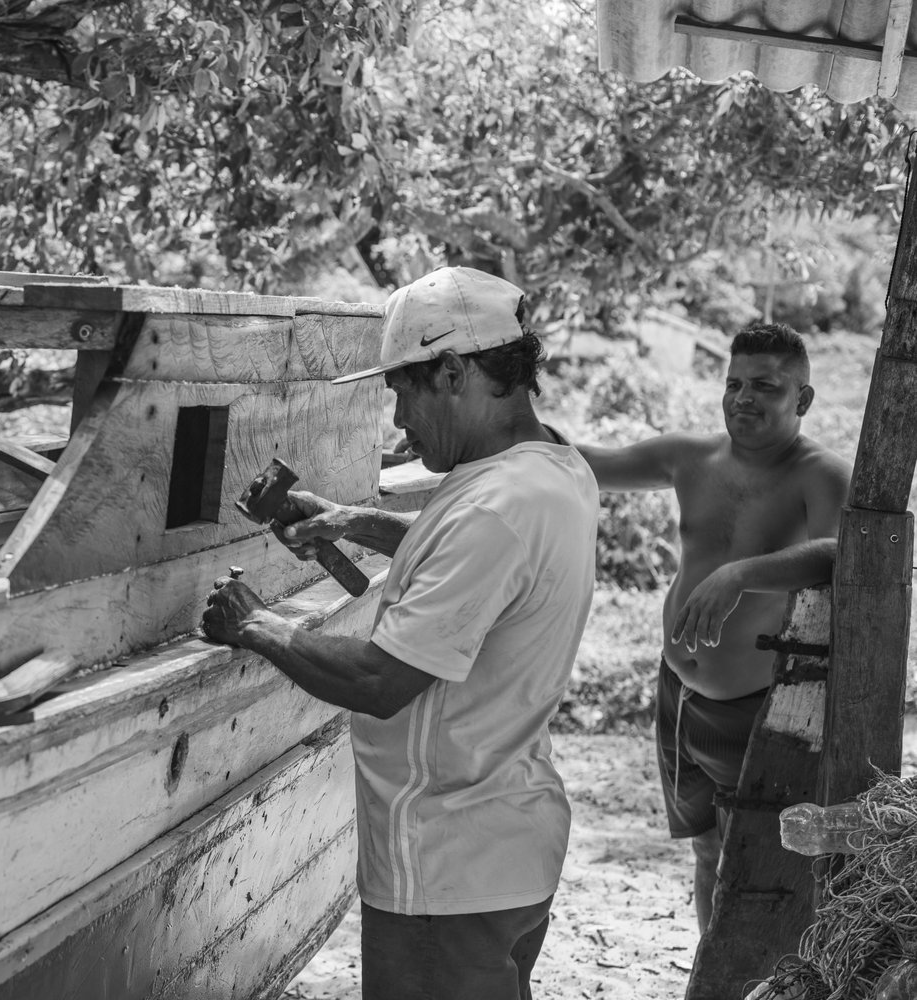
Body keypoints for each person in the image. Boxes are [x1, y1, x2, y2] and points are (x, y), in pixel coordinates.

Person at [202, 266, 598, 1000]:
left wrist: (257, 624)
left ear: (453, 372)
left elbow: (379, 681)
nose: (399, 420)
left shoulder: (495, 509)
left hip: (445, 867)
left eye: (401, 390)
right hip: (502, 848)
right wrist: (347, 519)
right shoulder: (549, 470)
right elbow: (468, 553)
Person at [574, 321, 851, 934]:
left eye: (765, 387)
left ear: (801, 400)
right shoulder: (690, 458)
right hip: (678, 696)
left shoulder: (820, 474)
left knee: (755, 859)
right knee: (706, 851)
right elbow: (587, 464)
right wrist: (504, 430)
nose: (743, 398)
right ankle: (710, 975)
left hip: (753, 706)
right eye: (733, 383)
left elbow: (842, 556)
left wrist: (740, 574)